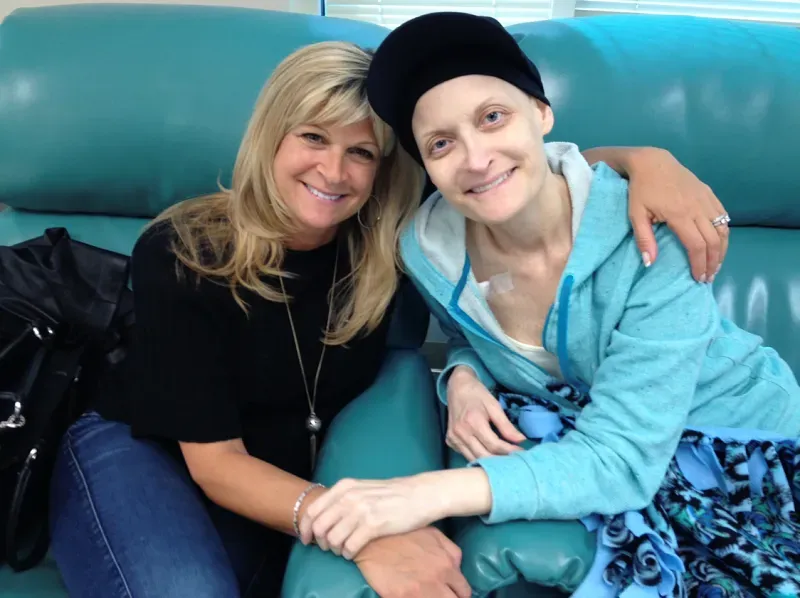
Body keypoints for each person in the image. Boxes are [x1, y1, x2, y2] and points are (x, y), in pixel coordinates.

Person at [49, 37, 733, 598]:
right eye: (312, 137)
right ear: (270, 138)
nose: (334, 170)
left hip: (283, 472)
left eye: (361, 152)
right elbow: (217, 465)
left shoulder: (395, 244)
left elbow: (511, 177)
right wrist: (369, 528)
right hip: (151, 451)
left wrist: (649, 161)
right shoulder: (183, 253)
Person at [298, 13, 800, 598]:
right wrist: (461, 377)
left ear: (541, 113)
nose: (477, 158)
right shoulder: (427, 249)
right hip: (598, 437)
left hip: (744, 447)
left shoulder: (653, 238)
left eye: (493, 118)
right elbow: (474, 334)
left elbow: (622, 459)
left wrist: (417, 493)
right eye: (442, 143)